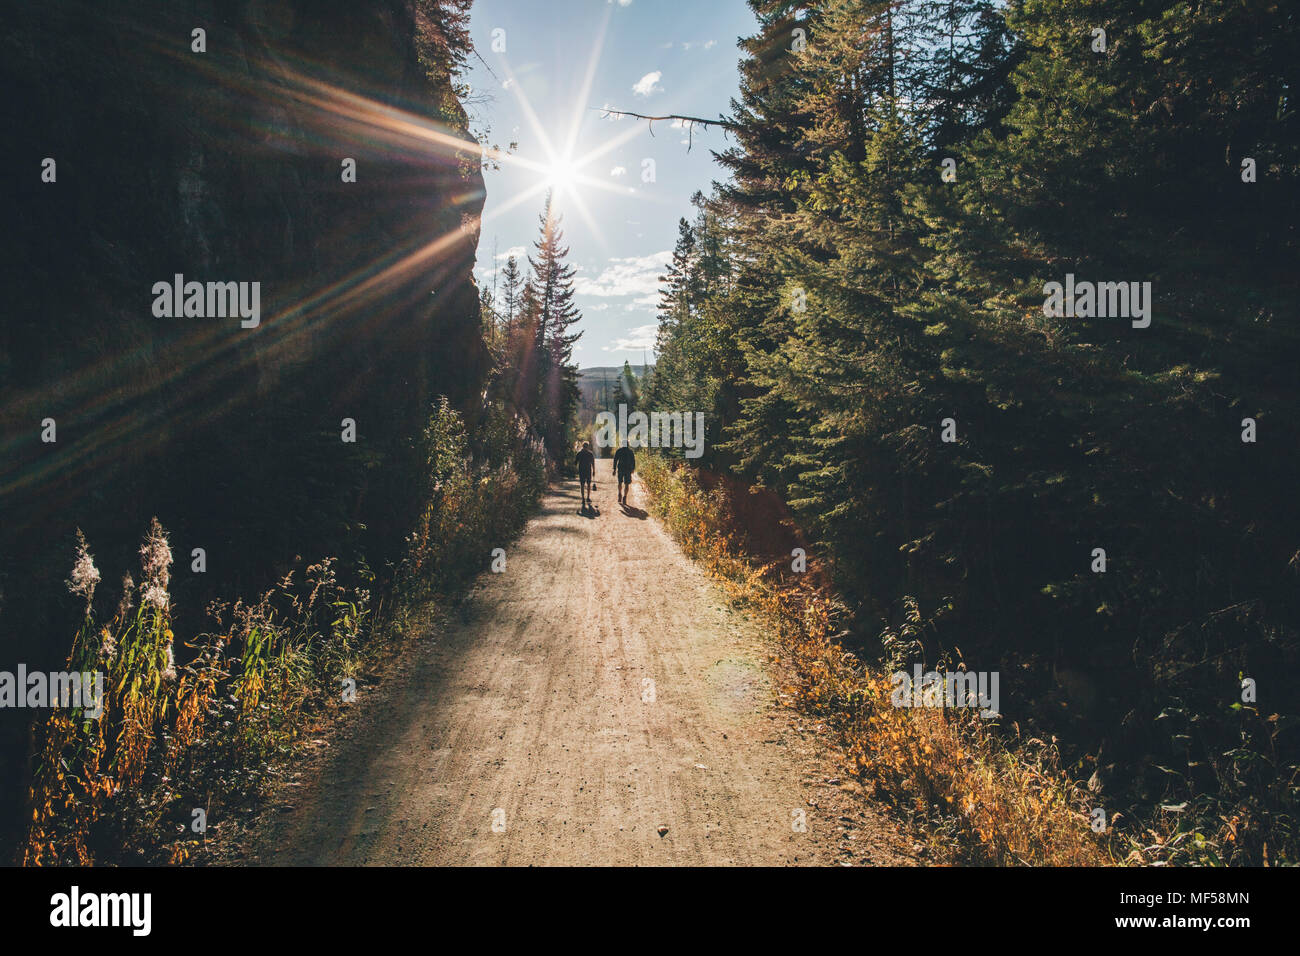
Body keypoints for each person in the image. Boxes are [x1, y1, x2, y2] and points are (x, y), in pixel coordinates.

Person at [612, 439, 635, 506]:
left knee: (620, 482)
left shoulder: (619, 451)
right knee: (626, 484)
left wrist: (614, 469)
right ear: (628, 444)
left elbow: (615, 460)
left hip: (621, 469)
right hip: (627, 469)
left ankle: (620, 494)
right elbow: (633, 461)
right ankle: (624, 497)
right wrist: (633, 469)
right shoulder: (630, 452)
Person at [576, 441, 596, 509]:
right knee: (588, 484)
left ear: (582, 446)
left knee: (582, 485)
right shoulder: (590, 453)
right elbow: (593, 463)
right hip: (588, 471)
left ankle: (583, 499)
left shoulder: (579, 453)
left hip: (581, 471)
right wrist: (594, 470)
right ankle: (588, 497)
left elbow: (575, 462)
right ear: (587, 446)